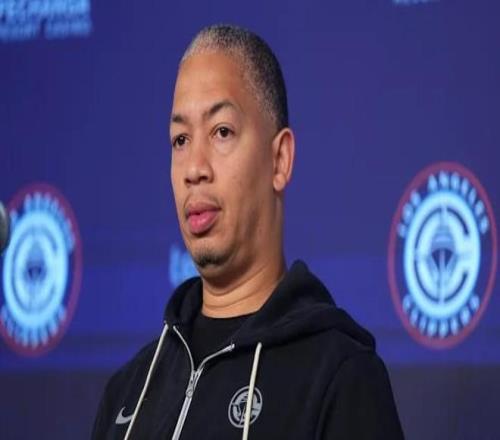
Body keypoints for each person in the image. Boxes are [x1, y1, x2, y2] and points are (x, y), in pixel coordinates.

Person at [92, 24, 404, 440]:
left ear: (280, 160)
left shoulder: (341, 376)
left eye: (221, 132)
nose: (194, 168)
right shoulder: (128, 391)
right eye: (180, 140)